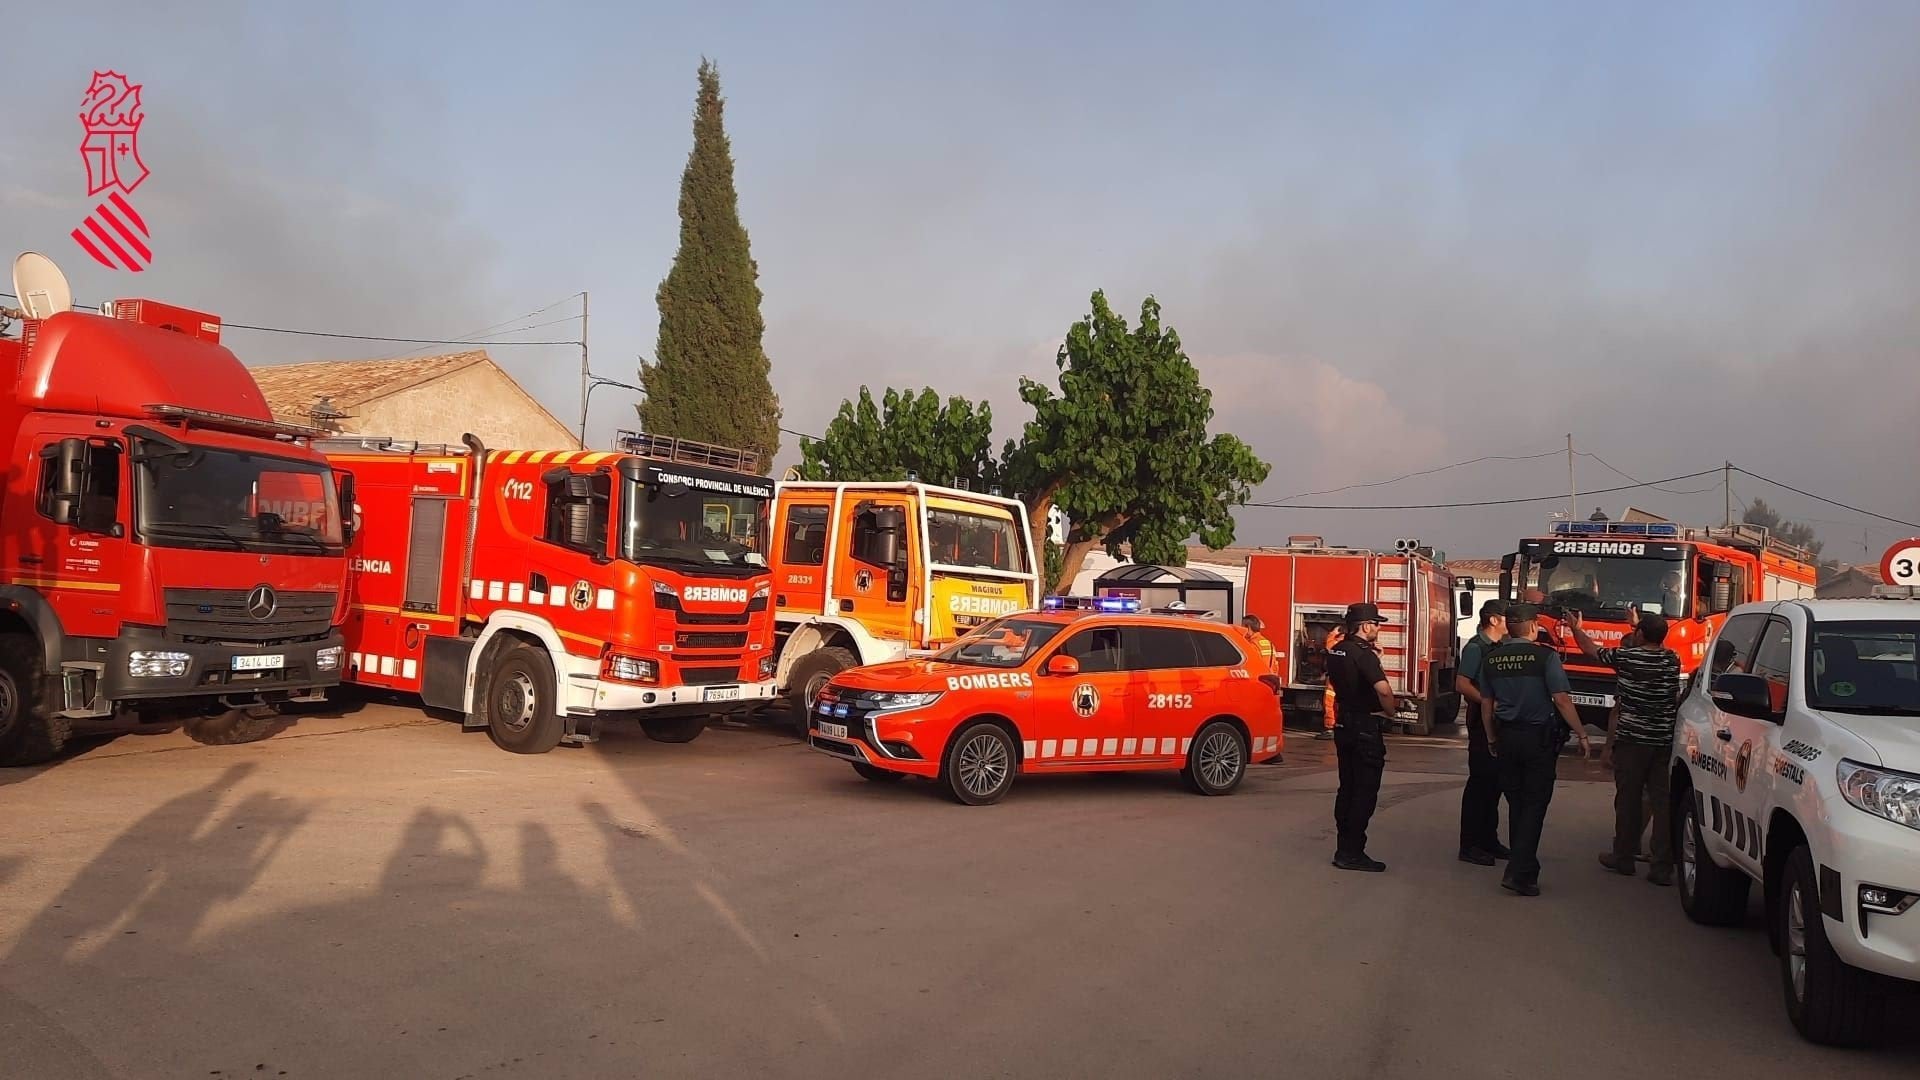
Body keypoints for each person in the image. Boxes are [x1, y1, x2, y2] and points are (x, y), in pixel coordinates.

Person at [1478, 603, 1592, 896]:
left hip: (1506, 738)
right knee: (1535, 804)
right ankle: (1518, 871)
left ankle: (1524, 869)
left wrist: (1492, 738)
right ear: (1532, 626)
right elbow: (1562, 700)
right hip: (1536, 740)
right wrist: (1581, 734)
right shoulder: (1545, 656)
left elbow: (1486, 706)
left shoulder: (1492, 658)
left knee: (1517, 803)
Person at [1566, 606, 1681, 886]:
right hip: (1663, 741)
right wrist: (1639, 626)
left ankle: (1624, 856)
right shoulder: (1672, 659)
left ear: (1640, 634)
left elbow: (1591, 650)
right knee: (1661, 802)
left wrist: (1576, 628)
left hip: (1632, 741)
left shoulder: (1628, 657)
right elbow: (1648, 642)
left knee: (1628, 799)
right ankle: (1662, 865)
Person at [1325, 603, 1398, 873]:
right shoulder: (1363, 654)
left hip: (1343, 723)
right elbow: (1384, 691)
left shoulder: (1336, 650)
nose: (1378, 628)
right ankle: (1353, 852)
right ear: (1366, 625)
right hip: (1365, 726)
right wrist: (1390, 713)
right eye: (1376, 624)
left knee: (1347, 788)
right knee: (1364, 792)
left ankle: (1343, 848)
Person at [1454, 600, 1511, 866]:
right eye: (1505, 616)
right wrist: (1488, 702)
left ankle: (1489, 839)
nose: (1510, 621)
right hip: (1481, 723)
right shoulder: (1476, 648)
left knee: (1495, 785)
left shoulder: (1500, 647)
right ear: (1493, 620)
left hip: (1497, 723)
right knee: (1480, 785)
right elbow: (1462, 684)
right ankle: (1470, 845)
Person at [1316, 625, 1345, 741]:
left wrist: (1333, 633)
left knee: (1329, 702)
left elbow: (1329, 646)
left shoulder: (1339, 641)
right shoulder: (1350, 642)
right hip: (1343, 678)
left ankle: (1329, 728)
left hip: (1335, 677)